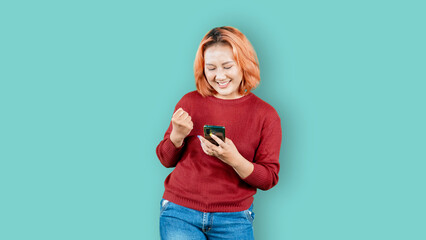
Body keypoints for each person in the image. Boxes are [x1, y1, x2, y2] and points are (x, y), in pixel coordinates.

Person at [156, 26, 282, 240]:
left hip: (234, 218)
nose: (219, 76)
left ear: (244, 63)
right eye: (211, 68)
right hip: (179, 212)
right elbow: (165, 159)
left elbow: (268, 178)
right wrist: (176, 136)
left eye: (227, 66)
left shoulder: (266, 115)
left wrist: (233, 159)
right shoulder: (189, 102)